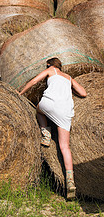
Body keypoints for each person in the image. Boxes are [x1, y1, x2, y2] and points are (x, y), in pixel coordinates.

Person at [19, 57, 86, 199]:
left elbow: (34, 81)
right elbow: (83, 93)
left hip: (49, 104)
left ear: (49, 65)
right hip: (65, 111)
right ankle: (70, 181)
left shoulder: (51, 70)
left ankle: (46, 132)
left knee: (38, 110)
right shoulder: (68, 77)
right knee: (65, 147)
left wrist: (20, 93)